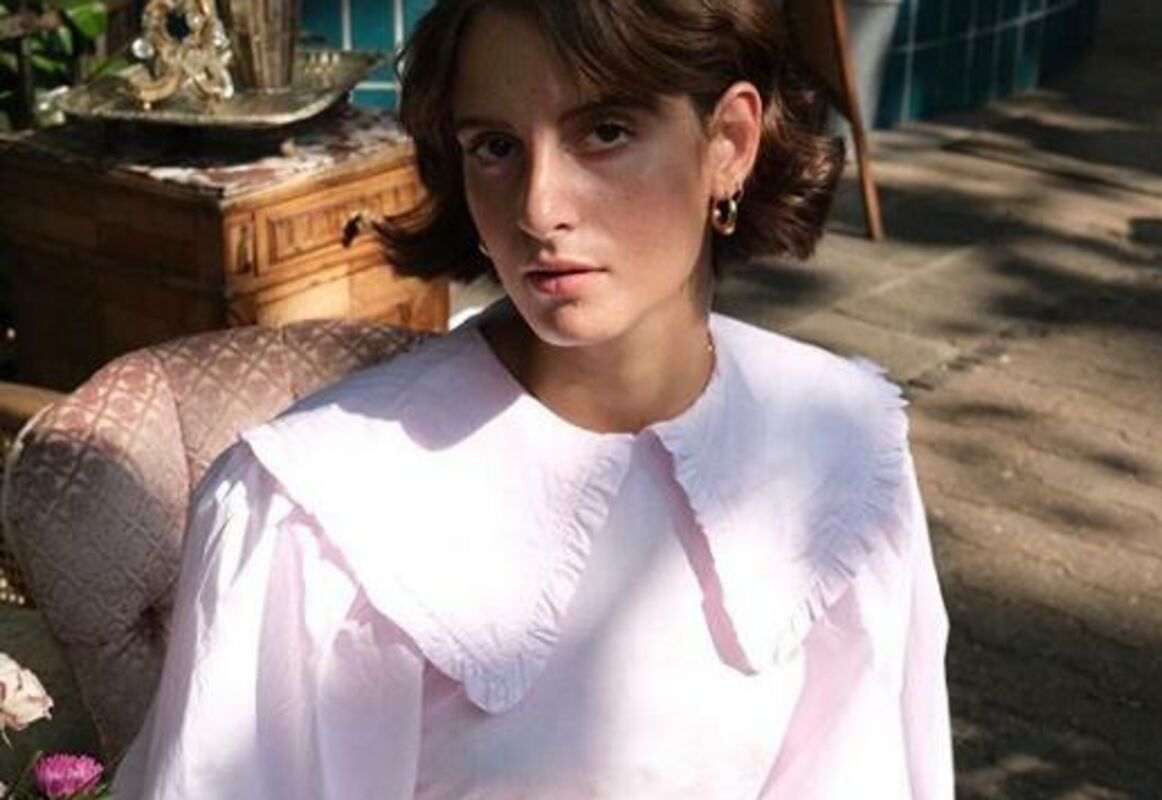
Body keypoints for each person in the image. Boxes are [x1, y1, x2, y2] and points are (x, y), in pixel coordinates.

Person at [112, 0, 954, 797]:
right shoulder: (317, 510)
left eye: (606, 131)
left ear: (729, 142)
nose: (539, 208)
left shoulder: (841, 447)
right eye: (495, 146)